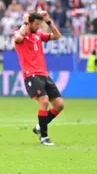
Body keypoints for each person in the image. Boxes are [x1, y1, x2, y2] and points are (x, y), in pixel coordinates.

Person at [13, 11, 64, 146]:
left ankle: (40, 126)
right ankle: (44, 137)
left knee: (59, 104)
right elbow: (18, 39)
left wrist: (49, 22)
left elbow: (57, 36)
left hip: (44, 74)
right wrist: (24, 23)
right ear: (29, 23)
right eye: (36, 24)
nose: (38, 26)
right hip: (31, 74)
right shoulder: (21, 34)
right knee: (44, 101)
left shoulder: (38, 35)